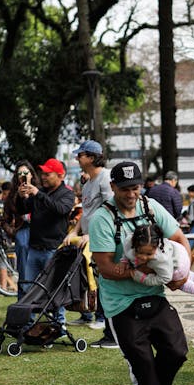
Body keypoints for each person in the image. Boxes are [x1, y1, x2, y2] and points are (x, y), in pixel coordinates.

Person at [89, 161, 190, 385]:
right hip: (121, 303)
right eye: (125, 189)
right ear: (113, 188)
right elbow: (106, 267)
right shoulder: (102, 218)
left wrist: (180, 276)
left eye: (135, 187)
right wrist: (139, 271)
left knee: (177, 351)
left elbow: (179, 239)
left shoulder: (151, 207)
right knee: (144, 364)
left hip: (155, 297)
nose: (131, 194)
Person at [16, 158, 74, 329]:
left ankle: (59, 325)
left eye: (48, 174)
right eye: (42, 173)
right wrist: (21, 197)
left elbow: (60, 210)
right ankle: (28, 324)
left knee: (55, 289)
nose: (43, 177)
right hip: (34, 248)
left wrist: (37, 194)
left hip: (53, 250)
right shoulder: (40, 192)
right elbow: (22, 209)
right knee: (29, 287)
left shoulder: (67, 193)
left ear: (60, 175)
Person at [67, 139, 115, 344]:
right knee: (92, 281)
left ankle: (106, 324)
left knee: (105, 282)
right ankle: (93, 316)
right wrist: (74, 231)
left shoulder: (105, 179)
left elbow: (110, 210)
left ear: (92, 158)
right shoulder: (88, 183)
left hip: (101, 240)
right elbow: (86, 213)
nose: (77, 158)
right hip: (87, 240)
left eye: (81, 155)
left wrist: (92, 234)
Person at [123, 223, 194, 309]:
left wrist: (143, 278)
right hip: (177, 251)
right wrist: (123, 261)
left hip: (180, 263)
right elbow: (127, 251)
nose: (143, 257)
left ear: (156, 247)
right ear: (134, 244)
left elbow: (165, 278)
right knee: (175, 273)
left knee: (176, 281)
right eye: (140, 252)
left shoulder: (160, 259)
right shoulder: (130, 240)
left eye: (148, 254)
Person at [2, 160, 39, 299]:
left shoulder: (39, 190)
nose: (23, 176)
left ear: (31, 174)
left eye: (26, 173)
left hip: (40, 230)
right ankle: (23, 302)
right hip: (22, 229)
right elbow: (4, 219)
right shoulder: (12, 194)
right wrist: (14, 233)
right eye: (20, 173)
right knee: (23, 268)